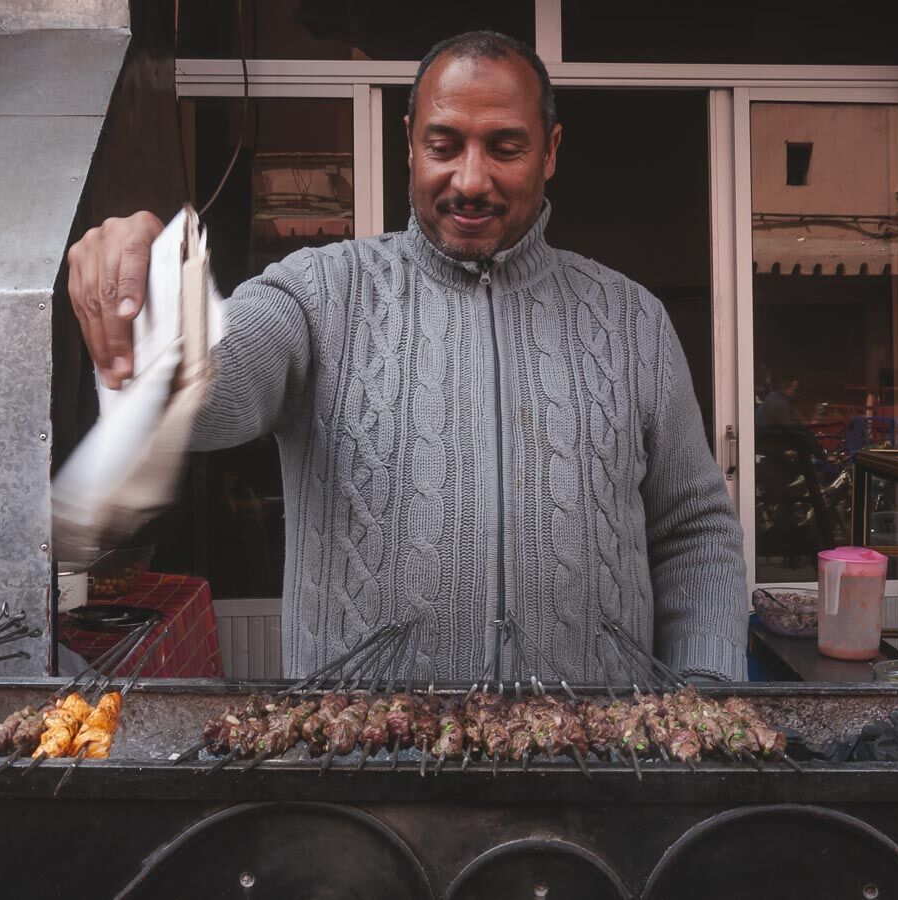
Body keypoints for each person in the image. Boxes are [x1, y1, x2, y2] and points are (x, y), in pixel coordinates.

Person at [65, 31, 747, 682]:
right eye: (444, 144)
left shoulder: (630, 321)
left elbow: (694, 532)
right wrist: (157, 294)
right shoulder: (318, 293)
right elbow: (212, 384)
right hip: (361, 772)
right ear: (410, 145)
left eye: (505, 147)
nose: (471, 179)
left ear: (551, 152)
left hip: (602, 770)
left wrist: (706, 693)